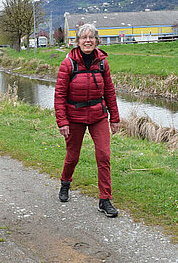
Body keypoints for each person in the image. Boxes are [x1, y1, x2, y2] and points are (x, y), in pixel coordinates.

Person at [54, 23, 120, 218]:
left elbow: (109, 91)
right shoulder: (68, 64)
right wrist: (62, 121)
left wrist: (114, 118)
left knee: (103, 155)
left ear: (97, 41)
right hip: (74, 116)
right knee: (73, 156)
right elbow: (59, 96)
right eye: (84, 37)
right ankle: (65, 183)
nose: (88, 40)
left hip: (98, 115)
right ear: (77, 42)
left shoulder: (102, 63)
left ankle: (105, 199)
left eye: (91, 37)